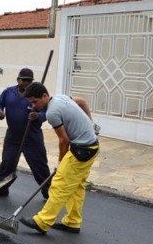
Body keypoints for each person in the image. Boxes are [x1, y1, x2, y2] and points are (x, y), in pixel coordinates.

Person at [19, 82, 100, 234]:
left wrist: (60, 162)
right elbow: (82, 101)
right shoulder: (61, 97)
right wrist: (91, 122)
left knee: (59, 184)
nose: (34, 106)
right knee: (76, 186)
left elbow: (64, 140)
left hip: (81, 151)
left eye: (35, 101)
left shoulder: (51, 113)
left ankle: (42, 222)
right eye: (30, 103)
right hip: (92, 146)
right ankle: (72, 222)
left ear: (44, 96)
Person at [0, 68, 51, 197]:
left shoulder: (38, 93)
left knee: (39, 166)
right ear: (18, 80)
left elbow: (47, 111)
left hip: (32, 137)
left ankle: (49, 192)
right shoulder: (8, 92)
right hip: (13, 136)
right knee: (7, 163)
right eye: (24, 80)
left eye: (29, 80)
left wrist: (38, 116)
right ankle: (1, 188)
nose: (27, 83)